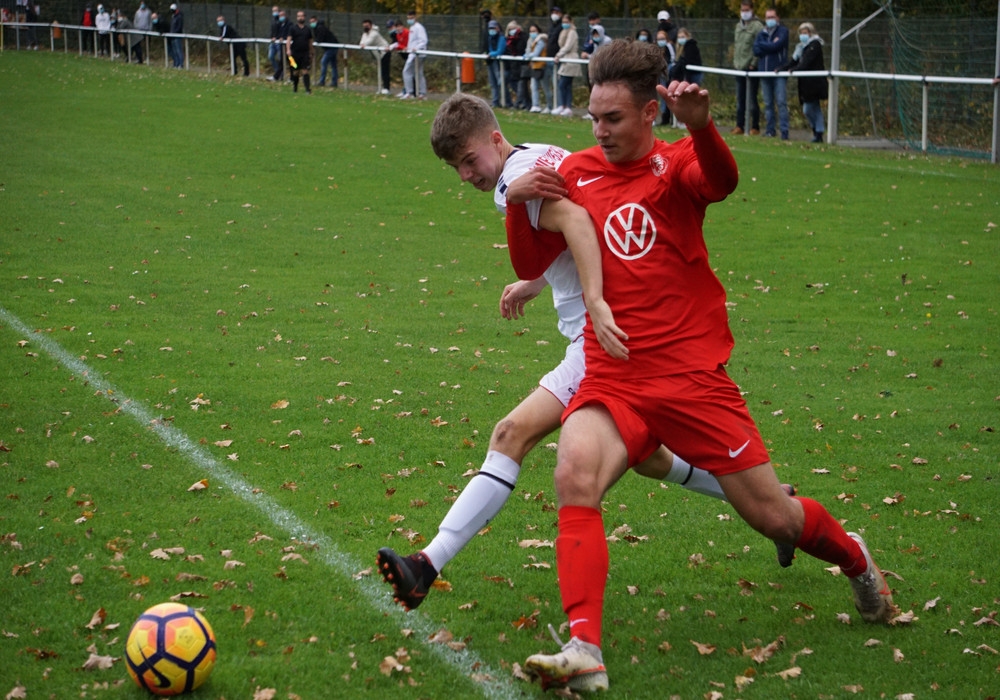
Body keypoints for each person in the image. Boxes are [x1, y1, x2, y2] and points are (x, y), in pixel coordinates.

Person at [511, 40, 895, 693]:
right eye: (594, 118)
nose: (599, 132)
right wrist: (521, 200)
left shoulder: (678, 161)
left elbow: (721, 182)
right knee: (574, 471)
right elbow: (529, 261)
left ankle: (855, 559)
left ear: (650, 112)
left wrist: (704, 128)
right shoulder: (576, 171)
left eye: (614, 119)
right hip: (616, 377)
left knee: (776, 518)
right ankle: (584, 649)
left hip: (692, 380)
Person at [376, 92, 795, 612]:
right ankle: (781, 508)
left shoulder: (514, 179)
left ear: (493, 139)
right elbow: (587, 223)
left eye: (467, 160)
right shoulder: (544, 153)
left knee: (510, 434)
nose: (466, 175)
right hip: (622, 336)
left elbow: (575, 222)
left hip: (602, 343)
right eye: (454, 168)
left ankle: (425, 565)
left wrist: (594, 300)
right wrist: (535, 281)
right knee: (653, 459)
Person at [780, 22, 827, 143]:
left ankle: (818, 131)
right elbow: (794, 62)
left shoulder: (815, 45)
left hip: (814, 83)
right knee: (813, 108)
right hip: (805, 84)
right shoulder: (801, 47)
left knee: (809, 109)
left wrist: (795, 70)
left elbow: (806, 63)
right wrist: (783, 68)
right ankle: (817, 132)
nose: (802, 35)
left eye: (805, 33)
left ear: (811, 33)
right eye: (801, 33)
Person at [754, 7, 790, 139]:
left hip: (778, 72)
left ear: (777, 18)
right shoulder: (761, 33)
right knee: (768, 103)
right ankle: (770, 130)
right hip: (764, 72)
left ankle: (784, 132)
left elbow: (777, 46)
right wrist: (768, 46)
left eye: (772, 17)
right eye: (767, 17)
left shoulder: (783, 31)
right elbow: (756, 50)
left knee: (781, 102)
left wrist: (765, 46)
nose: (770, 20)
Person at [732, 1, 762, 135]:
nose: (744, 12)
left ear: (752, 10)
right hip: (739, 67)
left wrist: (753, 63)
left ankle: (755, 126)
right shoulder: (738, 26)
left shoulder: (757, 27)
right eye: (742, 10)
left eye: (747, 10)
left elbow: (759, 47)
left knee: (752, 99)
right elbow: (737, 46)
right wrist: (735, 62)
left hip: (750, 69)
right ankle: (740, 125)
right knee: (740, 99)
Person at [553, 13, 579, 116]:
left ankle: (566, 106)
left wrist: (558, 55)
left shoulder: (572, 32)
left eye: (566, 22)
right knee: (564, 85)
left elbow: (568, 46)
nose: (564, 24)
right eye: (563, 22)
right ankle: (563, 105)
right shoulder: (563, 32)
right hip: (565, 59)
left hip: (570, 59)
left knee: (564, 84)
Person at [359, 18, 391, 95]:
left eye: (367, 26)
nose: (365, 27)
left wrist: (364, 44)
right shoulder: (365, 33)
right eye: (364, 26)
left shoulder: (374, 33)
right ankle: (380, 88)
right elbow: (362, 42)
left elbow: (368, 42)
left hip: (385, 52)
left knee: (385, 71)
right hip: (378, 54)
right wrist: (362, 44)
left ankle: (386, 88)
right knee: (380, 70)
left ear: (370, 25)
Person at [285, 10, 313, 94]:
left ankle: (307, 89)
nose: (300, 17)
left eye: (302, 16)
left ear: (304, 17)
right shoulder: (292, 28)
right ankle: (295, 88)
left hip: (305, 53)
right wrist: (288, 49)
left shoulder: (307, 29)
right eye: (298, 16)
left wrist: (311, 52)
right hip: (295, 53)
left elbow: (310, 41)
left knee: (305, 70)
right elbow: (288, 40)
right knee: (295, 71)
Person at [401, 10, 427, 99]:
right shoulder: (412, 28)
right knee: (417, 73)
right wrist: (408, 48)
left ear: (415, 17)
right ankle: (419, 93)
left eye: (411, 18)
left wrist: (417, 48)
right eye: (408, 18)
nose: (410, 20)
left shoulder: (419, 28)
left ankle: (411, 92)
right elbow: (412, 41)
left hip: (417, 53)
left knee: (408, 71)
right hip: (412, 53)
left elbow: (423, 40)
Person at [525, 23, 550, 114]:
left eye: (534, 31)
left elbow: (536, 53)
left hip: (542, 66)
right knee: (533, 86)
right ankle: (535, 105)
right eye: (531, 31)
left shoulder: (541, 41)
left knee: (545, 87)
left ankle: (549, 106)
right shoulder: (530, 41)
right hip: (534, 66)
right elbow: (527, 50)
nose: (532, 33)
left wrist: (528, 56)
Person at [543, 6, 563, 114]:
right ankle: (550, 105)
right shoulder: (552, 26)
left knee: (557, 84)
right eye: (553, 12)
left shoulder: (561, 27)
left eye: (556, 12)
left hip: (557, 60)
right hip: (549, 59)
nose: (554, 14)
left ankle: (559, 105)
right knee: (547, 83)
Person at [503, 20, 526, 109]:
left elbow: (520, 49)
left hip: (521, 64)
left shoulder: (522, 37)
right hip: (513, 65)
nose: (511, 30)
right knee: (513, 83)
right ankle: (521, 102)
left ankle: (521, 102)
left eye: (513, 28)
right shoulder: (508, 40)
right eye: (510, 29)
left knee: (520, 85)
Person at [655, 29, 676, 126]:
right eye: (659, 39)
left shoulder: (669, 47)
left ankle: (671, 118)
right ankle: (664, 117)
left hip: (667, 74)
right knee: (662, 97)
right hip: (660, 74)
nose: (661, 41)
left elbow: (672, 59)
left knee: (668, 95)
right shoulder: (655, 48)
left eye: (663, 38)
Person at [483, 19, 506, 108]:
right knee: (493, 83)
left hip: (499, 63)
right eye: (490, 28)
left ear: (497, 28)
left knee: (500, 82)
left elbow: (500, 51)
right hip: (491, 62)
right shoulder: (490, 38)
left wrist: (491, 54)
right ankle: (495, 101)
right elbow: (490, 49)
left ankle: (505, 101)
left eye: (493, 28)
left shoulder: (501, 38)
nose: (491, 30)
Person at [311, 17, 338, 88]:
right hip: (331, 47)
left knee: (324, 62)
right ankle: (334, 82)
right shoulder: (317, 28)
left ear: (316, 21)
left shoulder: (320, 28)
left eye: (313, 21)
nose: (312, 23)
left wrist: (316, 41)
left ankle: (322, 81)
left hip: (331, 47)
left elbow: (319, 39)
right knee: (333, 65)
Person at [387, 19, 409, 97]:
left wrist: (397, 46)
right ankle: (406, 91)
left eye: (399, 27)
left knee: (408, 73)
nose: (398, 29)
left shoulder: (406, 33)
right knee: (406, 73)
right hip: (406, 55)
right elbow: (398, 44)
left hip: (410, 55)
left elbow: (406, 45)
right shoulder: (397, 34)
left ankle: (410, 92)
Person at [268, 8, 288, 82]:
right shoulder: (273, 21)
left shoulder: (287, 23)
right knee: (272, 57)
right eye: (273, 11)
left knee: (288, 61)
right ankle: (277, 74)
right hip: (276, 42)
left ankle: (291, 76)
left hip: (284, 45)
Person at [168, 2, 183, 68]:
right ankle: (176, 63)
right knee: (174, 51)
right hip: (172, 36)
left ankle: (180, 64)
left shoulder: (179, 17)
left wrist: (174, 32)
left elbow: (179, 27)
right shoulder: (173, 16)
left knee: (178, 50)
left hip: (177, 36)